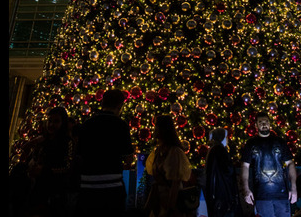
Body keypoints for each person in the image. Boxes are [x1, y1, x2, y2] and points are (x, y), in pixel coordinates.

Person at [74, 89, 133, 217]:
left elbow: (78, 153)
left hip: (87, 186)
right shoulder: (121, 125)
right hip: (112, 185)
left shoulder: (87, 124)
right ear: (120, 106)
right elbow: (128, 157)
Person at [241, 114, 297, 217]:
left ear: (270, 123)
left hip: (282, 194)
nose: (264, 124)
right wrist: (246, 189)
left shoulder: (280, 142)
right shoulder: (251, 143)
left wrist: (293, 188)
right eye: (261, 122)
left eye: (266, 122)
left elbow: (290, 163)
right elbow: (245, 166)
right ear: (256, 125)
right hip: (261, 196)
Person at [145, 115, 197, 217]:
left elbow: (175, 183)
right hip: (159, 202)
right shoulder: (158, 151)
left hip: (170, 203)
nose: (154, 131)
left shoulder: (174, 152)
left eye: (156, 128)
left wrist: (170, 208)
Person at [28, 107, 75, 217]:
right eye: (49, 121)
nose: (51, 125)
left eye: (56, 121)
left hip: (55, 192)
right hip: (38, 189)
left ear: (62, 123)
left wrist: (44, 170)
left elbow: (67, 167)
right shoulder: (43, 140)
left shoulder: (67, 142)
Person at [204, 128, 238, 217]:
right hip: (222, 191)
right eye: (225, 137)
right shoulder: (219, 150)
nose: (227, 139)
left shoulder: (213, 149)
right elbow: (227, 170)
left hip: (217, 192)